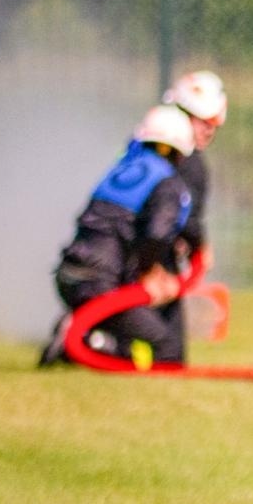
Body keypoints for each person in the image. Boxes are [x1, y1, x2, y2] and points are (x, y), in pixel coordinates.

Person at [39, 105, 194, 369]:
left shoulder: (122, 170)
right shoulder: (166, 183)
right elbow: (157, 234)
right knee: (167, 349)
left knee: (127, 339)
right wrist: (151, 273)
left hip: (68, 276)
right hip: (101, 284)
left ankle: (79, 333)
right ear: (178, 151)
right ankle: (84, 342)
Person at [155, 69, 227, 360]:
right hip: (151, 258)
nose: (209, 129)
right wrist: (202, 247)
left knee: (165, 345)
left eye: (214, 123)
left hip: (149, 254)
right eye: (203, 121)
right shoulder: (188, 163)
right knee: (168, 352)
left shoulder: (148, 149)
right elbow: (185, 218)